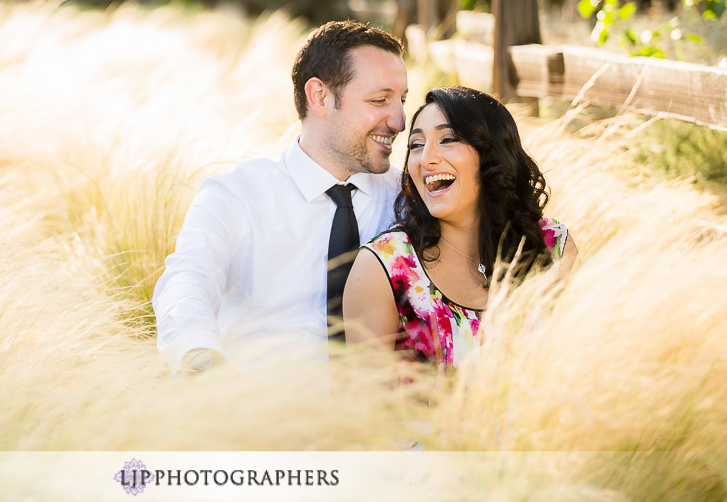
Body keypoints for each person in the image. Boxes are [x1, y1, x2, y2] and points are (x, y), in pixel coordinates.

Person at [152, 20, 409, 373]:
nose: (399, 120)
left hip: (384, 417)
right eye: (380, 100)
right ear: (319, 97)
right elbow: (188, 281)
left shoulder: (408, 199)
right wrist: (199, 357)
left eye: (402, 100)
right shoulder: (234, 197)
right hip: (260, 414)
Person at [343, 86, 578, 368]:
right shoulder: (386, 266)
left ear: (491, 152)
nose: (426, 159)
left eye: (448, 139)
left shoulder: (554, 245)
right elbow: (364, 405)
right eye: (416, 145)